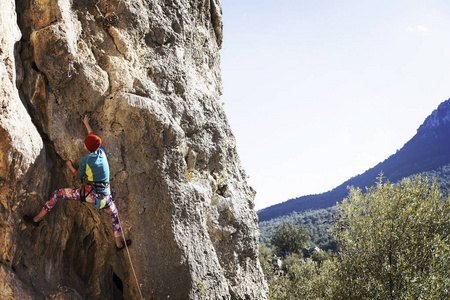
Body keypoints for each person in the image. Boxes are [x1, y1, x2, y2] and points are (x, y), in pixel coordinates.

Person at [23, 115, 131, 251]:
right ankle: (118, 244)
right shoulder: (102, 152)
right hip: (106, 197)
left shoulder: (85, 160)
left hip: (90, 195)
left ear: (86, 147)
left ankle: (37, 219)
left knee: (58, 193)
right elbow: (93, 136)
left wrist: (69, 165)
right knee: (115, 216)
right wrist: (87, 123)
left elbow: (78, 176)